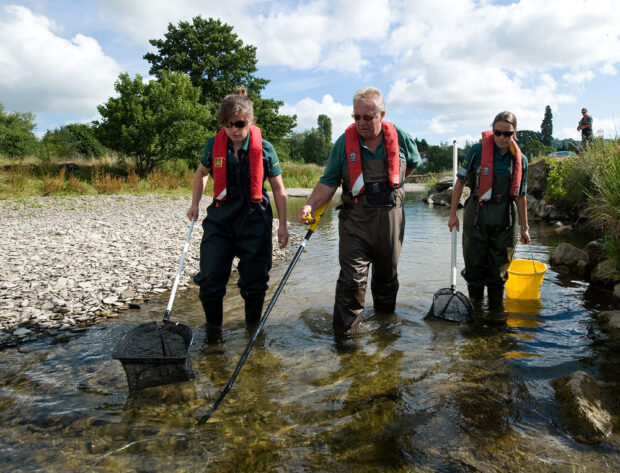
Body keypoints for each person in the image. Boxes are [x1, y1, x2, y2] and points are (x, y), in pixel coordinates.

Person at [297, 87, 421, 335]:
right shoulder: (344, 143)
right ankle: (345, 339)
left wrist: (392, 187)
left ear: (381, 114)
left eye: (368, 117)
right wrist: (310, 204)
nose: (362, 123)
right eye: (357, 117)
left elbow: (413, 164)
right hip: (356, 223)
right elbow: (328, 182)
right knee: (352, 281)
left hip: (391, 221)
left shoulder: (402, 138)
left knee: (387, 280)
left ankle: (386, 331)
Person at [187, 88, 288, 330]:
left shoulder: (265, 148)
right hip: (221, 220)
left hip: (255, 220)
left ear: (250, 121)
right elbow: (201, 173)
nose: (234, 129)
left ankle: (253, 332)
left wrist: (282, 225)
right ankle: (213, 334)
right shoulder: (213, 145)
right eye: (228, 124)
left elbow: (279, 189)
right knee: (210, 280)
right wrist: (194, 203)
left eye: (239, 124)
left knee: (254, 283)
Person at [448, 111, 530, 309]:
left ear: (515, 133)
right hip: (477, 214)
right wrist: (452, 215)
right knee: (474, 269)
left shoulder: (521, 160)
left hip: (506, 217)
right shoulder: (477, 151)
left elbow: (521, 196)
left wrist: (525, 228)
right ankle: (475, 310)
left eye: (507, 134)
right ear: (492, 130)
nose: (502, 137)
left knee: (499, 271)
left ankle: (495, 314)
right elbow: (459, 182)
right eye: (497, 132)